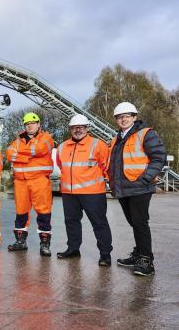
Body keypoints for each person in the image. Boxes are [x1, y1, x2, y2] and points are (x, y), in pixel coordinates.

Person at [108, 102, 167, 276]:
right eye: (119, 117)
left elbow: (158, 157)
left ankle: (146, 261)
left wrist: (146, 178)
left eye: (127, 116)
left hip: (140, 187)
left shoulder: (146, 134)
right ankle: (139, 254)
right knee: (134, 223)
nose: (123, 119)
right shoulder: (116, 140)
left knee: (140, 223)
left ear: (134, 117)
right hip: (123, 189)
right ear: (116, 120)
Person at [55, 114, 113, 266]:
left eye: (81, 127)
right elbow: (62, 166)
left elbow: (107, 167)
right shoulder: (62, 147)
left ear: (88, 128)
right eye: (74, 127)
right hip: (69, 193)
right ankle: (73, 249)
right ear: (70, 129)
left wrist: (113, 186)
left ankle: (105, 255)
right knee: (71, 222)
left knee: (99, 223)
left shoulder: (98, 145)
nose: (78, 130)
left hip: (93, 193)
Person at [6, 112, 55, 256]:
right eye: (27, 124)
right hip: (20, 181)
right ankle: (21, 242)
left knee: (43, 212)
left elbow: (39, 150)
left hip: (39, 180)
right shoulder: (18, 139)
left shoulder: (46, 138)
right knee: (21, 212)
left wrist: (20, 155)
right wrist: (28, 156)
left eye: (32, 123)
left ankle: (44, 244)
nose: (30, 126)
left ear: (39, 124)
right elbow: (9, 154)